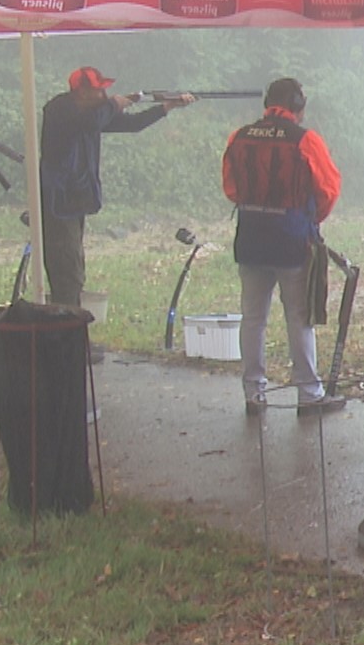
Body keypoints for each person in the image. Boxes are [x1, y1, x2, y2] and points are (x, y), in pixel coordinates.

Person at [221, 77, 344, 416]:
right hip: (292, 237)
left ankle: (253, 393)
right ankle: (309, 394)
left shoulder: (239, 136)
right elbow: (329, 189)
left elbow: (231, 187)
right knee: (299, 317)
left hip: (250, 237)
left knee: (253, 318)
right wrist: (310, 219)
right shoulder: (306, 140)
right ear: (298, 107)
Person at [39, 67, 193, 308]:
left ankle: (69, 319)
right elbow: (91, 122)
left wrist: (165, 108)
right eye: (99, 90)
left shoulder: (90, 113)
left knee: (73, 265)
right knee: (67, 269)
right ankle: (66, 324)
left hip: (74, 200)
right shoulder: (61, 110)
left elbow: (132, 124)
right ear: (82, 92)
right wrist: (115, 104)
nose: (104, 95)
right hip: (59, 201)